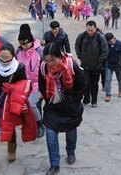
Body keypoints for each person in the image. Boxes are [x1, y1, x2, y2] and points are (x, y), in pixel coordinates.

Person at [38, 42, 86, 175]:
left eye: (53, 60)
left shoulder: (71, 64)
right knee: (50, 136)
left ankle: (71, 152)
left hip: (71, 108)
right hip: (53, 107)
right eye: (47, 60)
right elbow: (41, 85)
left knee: (71, 132)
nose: (50, 63)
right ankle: (54, 164)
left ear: (60, 56)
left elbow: (83, 83)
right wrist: (49, 98)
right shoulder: (43, 67)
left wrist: (74, 99)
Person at [15, 23, 45, 138]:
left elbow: (46, 68)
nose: (24, 46)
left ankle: (40, 125)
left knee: (33, 105)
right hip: (23, 86)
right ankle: (31, 125)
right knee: (24, 107)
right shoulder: (18, 52)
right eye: (22, 44)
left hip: (38, 85)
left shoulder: (39, 51)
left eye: (26, 44)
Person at [74, 20, 108, 108]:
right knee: (85, 83)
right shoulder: (82, 36)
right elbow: (77, 45)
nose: (90, 32)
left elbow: (105, 51)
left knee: (94, 84)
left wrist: (98, 61)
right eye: (88, 30)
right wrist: (79, 55)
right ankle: (86, 99)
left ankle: (94, 100)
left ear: (95, 29)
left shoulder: (100, 37)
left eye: (91, 30)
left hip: (95, 66)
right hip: (84, 65)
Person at [104, 33, 121, 102]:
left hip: (118, 65)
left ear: (114, 38)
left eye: (111, 41)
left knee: (120, 79)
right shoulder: (106, 45)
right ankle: (108, 94)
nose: (110, 43)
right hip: (109, 65)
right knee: (107, 80)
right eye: (109, 42)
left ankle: (120, 90)